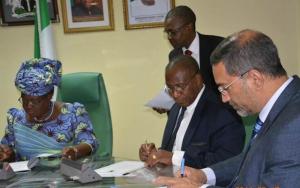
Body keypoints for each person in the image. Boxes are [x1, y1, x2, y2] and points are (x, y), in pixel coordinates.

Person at [154, 29, 300, 187]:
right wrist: (204, 175)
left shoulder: (294, 126)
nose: (224, 99)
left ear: (255, 79)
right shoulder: (282, 107)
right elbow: (251, 159)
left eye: (225, 88)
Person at [140, 55, 245, 169]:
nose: (175, 94)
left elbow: (226, 162)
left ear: (198, 80)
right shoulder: (176, 108)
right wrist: (155, 154)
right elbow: (174, 150)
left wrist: (174, 158)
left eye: (180, 87)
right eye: (170, 89)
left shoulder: (224, 112)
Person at [0, 58, 98, 162]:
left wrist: (75, 151)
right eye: (24, 100)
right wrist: (7, 156)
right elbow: (9, 151)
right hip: (25, 177)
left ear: (49, 95)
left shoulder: (72, 113)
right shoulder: (15, 118)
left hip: (64, 175)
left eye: (35, 101)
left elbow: (90, 142)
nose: (29, 106)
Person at [154, 5, 224, 114]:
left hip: (217, 115)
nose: (169, 37)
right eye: (167, 33)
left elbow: (228, 85)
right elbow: (175, 89)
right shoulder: (174, 55)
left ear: (189, 28)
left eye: (173, 32)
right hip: (188, 118)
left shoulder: (217, 46)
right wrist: (166, 102)